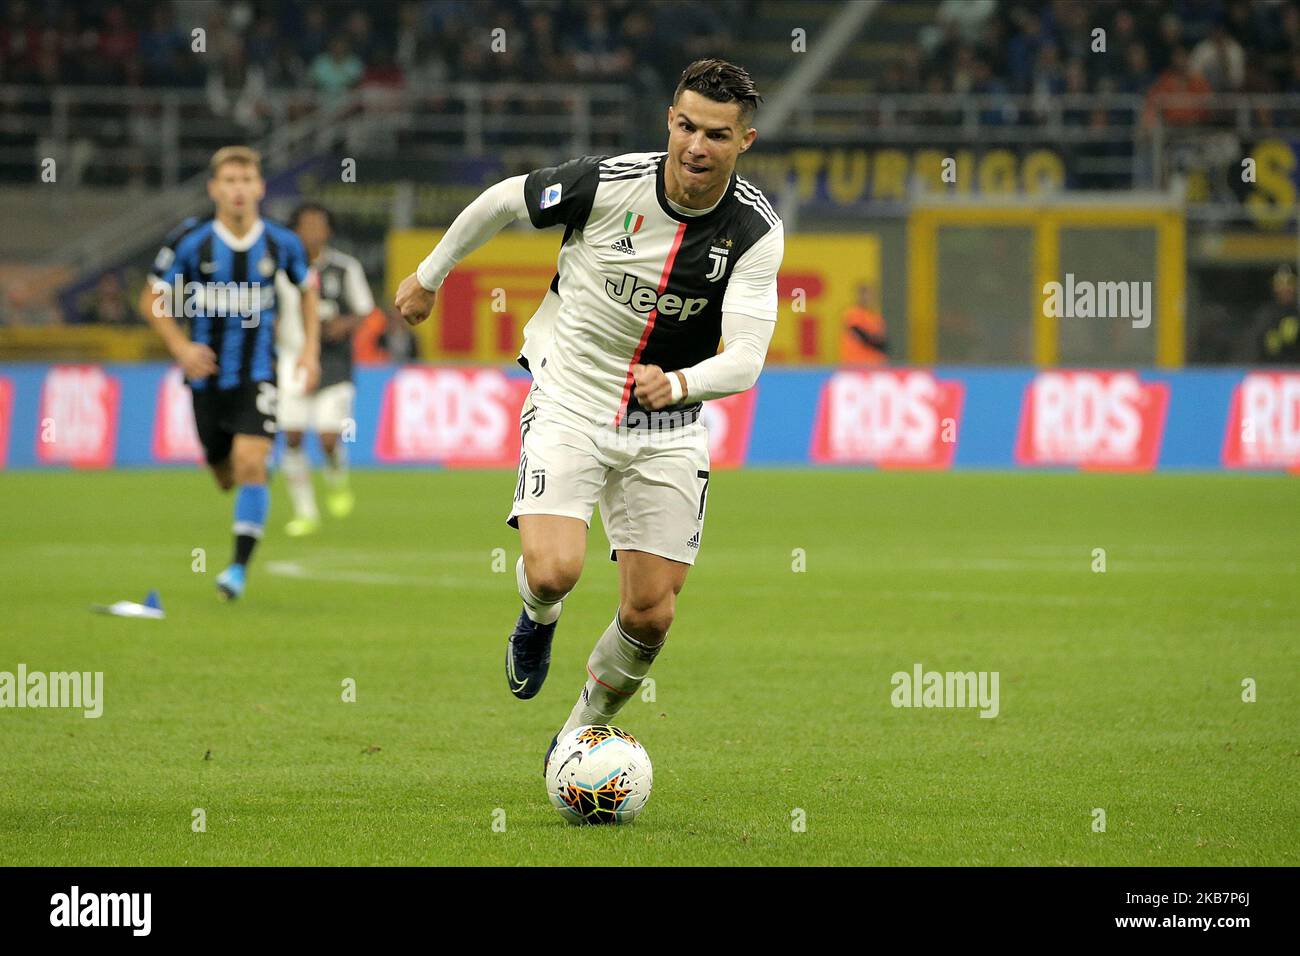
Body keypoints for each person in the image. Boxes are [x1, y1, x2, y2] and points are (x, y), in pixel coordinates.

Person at [395, 59, 784, 772]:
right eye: (687, 127)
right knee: (553, 572)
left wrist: (683, 382)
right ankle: (536, 621)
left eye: (717, 135)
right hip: (572, 399)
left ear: (745, 141)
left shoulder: (755, 230)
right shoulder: (607, 182)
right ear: (670, 121)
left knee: (651, 614)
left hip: (667, 425)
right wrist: (430, 274)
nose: (697, 146)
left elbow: (749, 357)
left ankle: (576, 735)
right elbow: (506, 200)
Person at [140, 145, 320, 601]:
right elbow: (151, 300)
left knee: (250, 462)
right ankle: (252, 468)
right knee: (226, 476)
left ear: (260, 187)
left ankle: (236, 571)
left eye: (246, 180)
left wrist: (310, 352)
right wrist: (181, 347)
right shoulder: (191, 240)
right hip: (205, 380)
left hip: (258, 373)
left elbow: (308, 289)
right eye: (229, 181)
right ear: (214, 189)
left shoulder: (282, 242)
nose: (238, 189)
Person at [276, 202, 375, 536]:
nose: (313, 231)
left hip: (334, 362)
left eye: (319, 224)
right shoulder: (279, 270)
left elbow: (364, 310)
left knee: (328, 438)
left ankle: (336, 476)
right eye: (306, 225)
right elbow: (268, 311)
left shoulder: (345, 268)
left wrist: (344, 325)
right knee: (291, 436)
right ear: (294, 230)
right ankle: (305, 512)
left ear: (329, 230)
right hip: (292, 360)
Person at [1251, 264, 1300, 364]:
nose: (1285, 289)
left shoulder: (1297, 311)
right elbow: (1255, 342)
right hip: (1271, 367)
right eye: (1280, 284)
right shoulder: (1266, 313)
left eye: (1289, 284)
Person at [840, 284, 887, 364]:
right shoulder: (853, 313)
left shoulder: (876, 317)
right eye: (864, 295)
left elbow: (882, 340)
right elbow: (860, 334)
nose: (867, 298)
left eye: (870, 295)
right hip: (856, 363)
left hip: (875, 362)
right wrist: (876, 342)